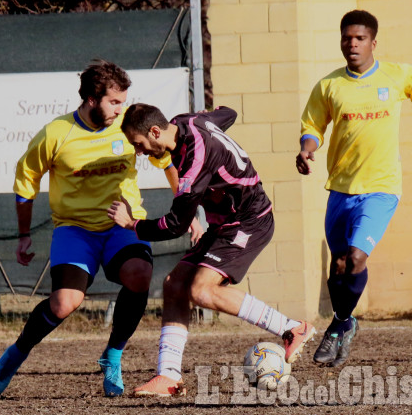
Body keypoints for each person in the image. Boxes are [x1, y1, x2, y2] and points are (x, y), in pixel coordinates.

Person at [0, 59, 202, 397]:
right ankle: (15, 355)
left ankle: (113, 355)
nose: (121, 109)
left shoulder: (128, 128)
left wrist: (188, 212)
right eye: (114, 102)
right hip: (75, 230)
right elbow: (26, 181)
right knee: (64, 304)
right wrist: (24, 234)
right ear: (91, 100)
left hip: (122, 225)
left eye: (123, 101)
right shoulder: (56, 134)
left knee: (140, 274)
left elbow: (167, 161)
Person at [107, 103, 317, 397]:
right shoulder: (187, 122)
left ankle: (293, 328)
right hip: (226, 224)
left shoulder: (195, 159)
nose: (139, 152)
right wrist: (213, 125)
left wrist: (132, 224)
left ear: (155, 132)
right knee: (175, 285)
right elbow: (228, 113)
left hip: (248, 221)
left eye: (139, 144)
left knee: (201, 290)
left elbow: (177, 223)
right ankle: (168, 376)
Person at [296, 10, 412, 368]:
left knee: (356, 258)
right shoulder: (329, 85)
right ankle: (347, 321)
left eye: (360, 38)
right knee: (338, 267)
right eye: (347, 38)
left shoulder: (398, 75)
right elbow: (312, 125)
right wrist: (306, 149)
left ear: (373, 42)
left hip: (381, 188)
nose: (353, 44)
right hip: (340, 189)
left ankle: (337, 327)